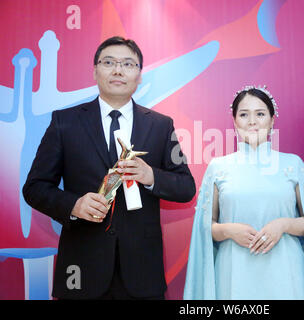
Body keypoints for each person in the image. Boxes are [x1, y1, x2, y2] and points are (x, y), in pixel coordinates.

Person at [22, 36, 196, 300]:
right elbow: (34, 188)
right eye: (109, 62)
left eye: (128, 64)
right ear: (94, 71)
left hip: (142, 273)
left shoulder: (161, 126)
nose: (118, 70)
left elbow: (186, 187)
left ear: (139, 75)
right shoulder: (64, 122)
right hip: (80, 269)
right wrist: (74, 205)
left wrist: (151, 176)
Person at [183, 86, 304, 299]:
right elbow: (205, 225)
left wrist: (283, 225)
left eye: (260, 114)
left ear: (272, 120)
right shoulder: (218, 167)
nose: (252, 121)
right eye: (244, 114)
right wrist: (229, 230)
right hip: (234, 270)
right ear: (234, 122)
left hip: (285, 269)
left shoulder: (293, 163)